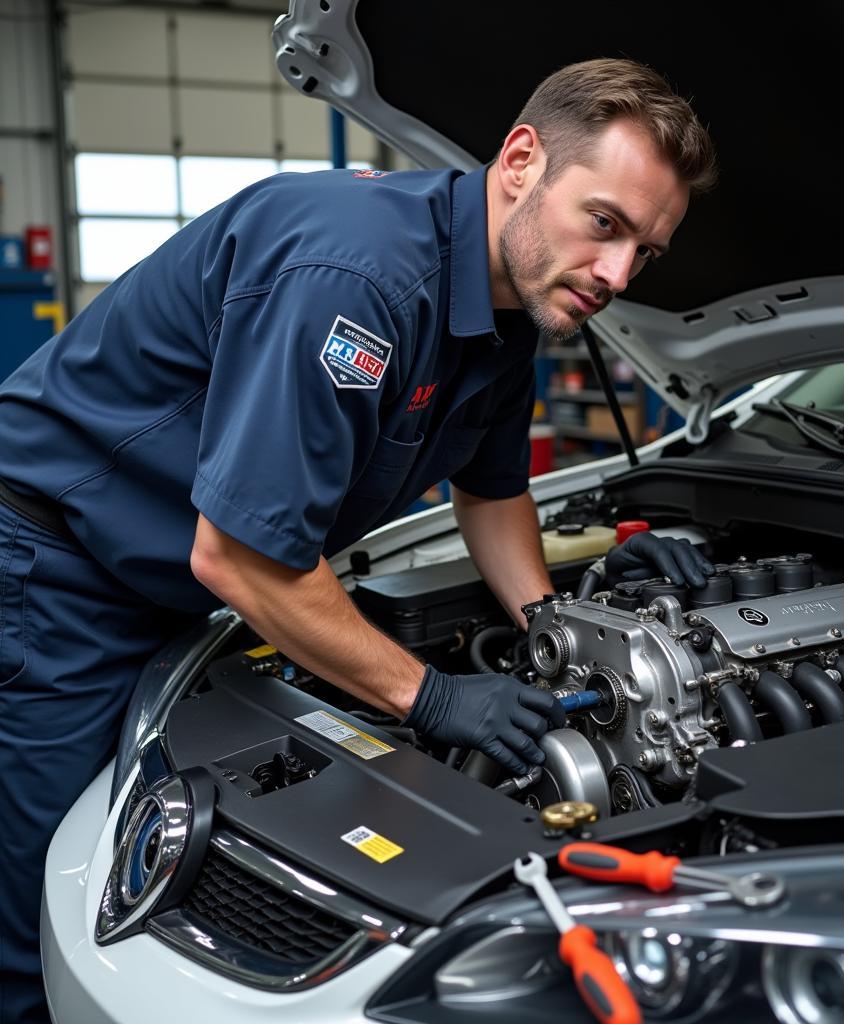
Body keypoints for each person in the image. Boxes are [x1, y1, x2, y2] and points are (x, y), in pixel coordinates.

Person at [0, 57, 715, 1023]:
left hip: (179, 581)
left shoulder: (511, 316)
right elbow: (243, 558)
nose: (619, 275)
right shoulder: (358, 277)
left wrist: (557, 619)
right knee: (60, 891)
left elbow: (492, 490)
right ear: (519, 161)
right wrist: (432, 695)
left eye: (646, 251)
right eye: (605, 223)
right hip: (59, 567)